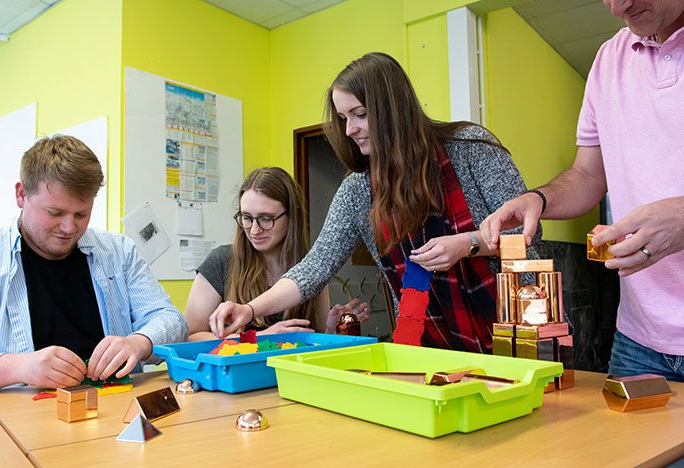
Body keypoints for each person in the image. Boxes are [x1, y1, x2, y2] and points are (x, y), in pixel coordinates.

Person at [208, 52, 538, 352]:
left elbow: (528, 234)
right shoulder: (357, 191)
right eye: (342, 117)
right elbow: (317, 264)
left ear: (392, 110)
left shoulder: (471, 149)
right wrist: (250, 309)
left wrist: (469, 243)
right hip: (426, 347)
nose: (349, 129)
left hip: (515, 332)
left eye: (360, 114)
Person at [480, 0, 684, 379]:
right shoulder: (609, 59)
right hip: (638, 341)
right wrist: (538, 198)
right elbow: (588, 176)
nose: (618, 6)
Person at [0, 135, 187, 393]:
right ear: (22, 195)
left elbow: (172, 321)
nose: (69, 228)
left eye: (82, 214)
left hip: (113, 409)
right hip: (19, 422)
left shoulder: (119, 252)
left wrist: (140, 342)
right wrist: (16, 367)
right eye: (55, 213)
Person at [185, 167, 369, 340]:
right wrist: (257, 339)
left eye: (266, 219)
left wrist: (331, 329)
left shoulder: (312, 267)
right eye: (247, 218)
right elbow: (189, 337)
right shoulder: (220, 261)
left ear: (291, 217)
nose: (254, 230)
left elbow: (314, 337)